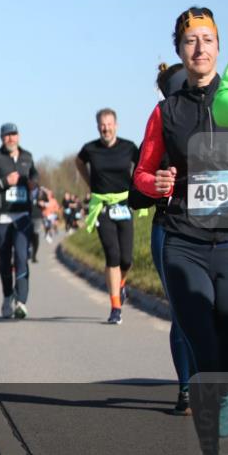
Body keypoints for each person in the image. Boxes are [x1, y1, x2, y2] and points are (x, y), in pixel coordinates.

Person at [133, 7, 228, 455]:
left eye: (208, 39)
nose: (200, 48)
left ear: (219, 46)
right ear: (180, 50)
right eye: (191, 41)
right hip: (183, 239)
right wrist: (155, 182)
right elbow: (139, 178)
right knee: (204, 352)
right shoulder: (166, 113)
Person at [130, 62, 195, 415]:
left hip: (218, 229)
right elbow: (135, 192)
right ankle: (187, 390)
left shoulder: (216, 120)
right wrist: (156, 185)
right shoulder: (161, 125)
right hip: (169, 227)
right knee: (183, 312)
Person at [76, 109, 141, 324]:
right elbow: (78, 162)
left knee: (126, 259)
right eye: (102, 125)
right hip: (102, 206)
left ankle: (121, 283)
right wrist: (90, 184)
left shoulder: (129, 147)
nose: (106, 128)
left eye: (109, 124)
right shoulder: (90, 149)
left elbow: (141, 166)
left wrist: (137, 188)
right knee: (112, 255)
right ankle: (115, 307)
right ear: (97, 127)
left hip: (124, 205)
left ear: (116, 125)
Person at [0, 122, 39, 319]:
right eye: (6, 136)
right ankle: (7, 296)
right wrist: (5, 182)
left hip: (22, 216)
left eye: (13, 135)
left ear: (19, 136)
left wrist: (33, 183)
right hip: (1, 217)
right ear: (1, 138)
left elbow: (35, 175)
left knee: (21, 256)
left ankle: (21, 301)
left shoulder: (27, 157)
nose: (10, 138)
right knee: (5, 260)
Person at [29, 183, 44, 263]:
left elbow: (48, 202)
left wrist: (43, 204)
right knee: (28, 235)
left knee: (36, 236)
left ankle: (34, 255)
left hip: (37, 216)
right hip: (28, 216)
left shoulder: (41, 193)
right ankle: (28, 251)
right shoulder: (26, 190)